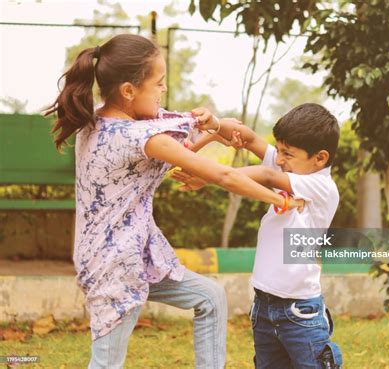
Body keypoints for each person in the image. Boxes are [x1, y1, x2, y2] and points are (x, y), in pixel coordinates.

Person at [45, 33, 303, 369]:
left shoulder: (95, 121)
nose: (163, 91)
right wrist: (279, 199)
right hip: (114, 267)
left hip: (132, 256)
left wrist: (215, 130)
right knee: (106, 362)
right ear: (128, 90)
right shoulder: (138, 136)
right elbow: (223, 176)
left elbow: (164, 153)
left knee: (210, 297)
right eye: (159, 83)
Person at [173, 103, 344, 368]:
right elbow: (250, 138)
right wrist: (216, 125)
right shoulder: (291, 167)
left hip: (300, 312)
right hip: (264, 307)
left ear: (319, 158)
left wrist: (206, 177)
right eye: (279, 150)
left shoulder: (322, 186)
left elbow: (265, 175)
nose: (279, 159)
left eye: (287, 153)